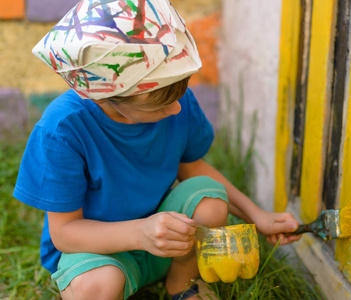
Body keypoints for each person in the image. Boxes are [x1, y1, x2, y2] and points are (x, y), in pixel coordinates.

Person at [13, 0, 301, 299]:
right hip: (98, 251)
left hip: (170, 241)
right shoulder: (63, 129)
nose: (177, 109)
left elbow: (193, 168)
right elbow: (64, 234)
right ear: (107, 98)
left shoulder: (177, 99)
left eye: (180, 93)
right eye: (161, 105)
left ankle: (183, 284)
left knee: (210, 199)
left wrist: (258, 216)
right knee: (97, 287)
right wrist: (140, 233)